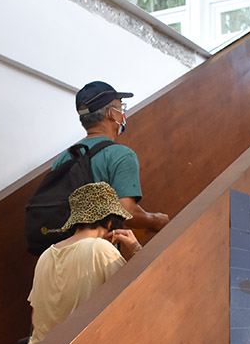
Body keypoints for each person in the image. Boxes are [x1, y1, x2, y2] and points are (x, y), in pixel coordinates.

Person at [25, 182, 142, 344]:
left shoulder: (46, 256)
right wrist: (136, 249)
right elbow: (135, 300)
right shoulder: (100, 249)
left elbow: (37, 319)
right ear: (110, 223)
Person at [53, 80, 170, 233]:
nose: (122, 113)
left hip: (61, 250)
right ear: (111, 113)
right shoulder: (121, 155)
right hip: (98, 251)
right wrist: (155, 221)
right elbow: (126, 212)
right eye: (121, 107)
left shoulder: (62, 159)